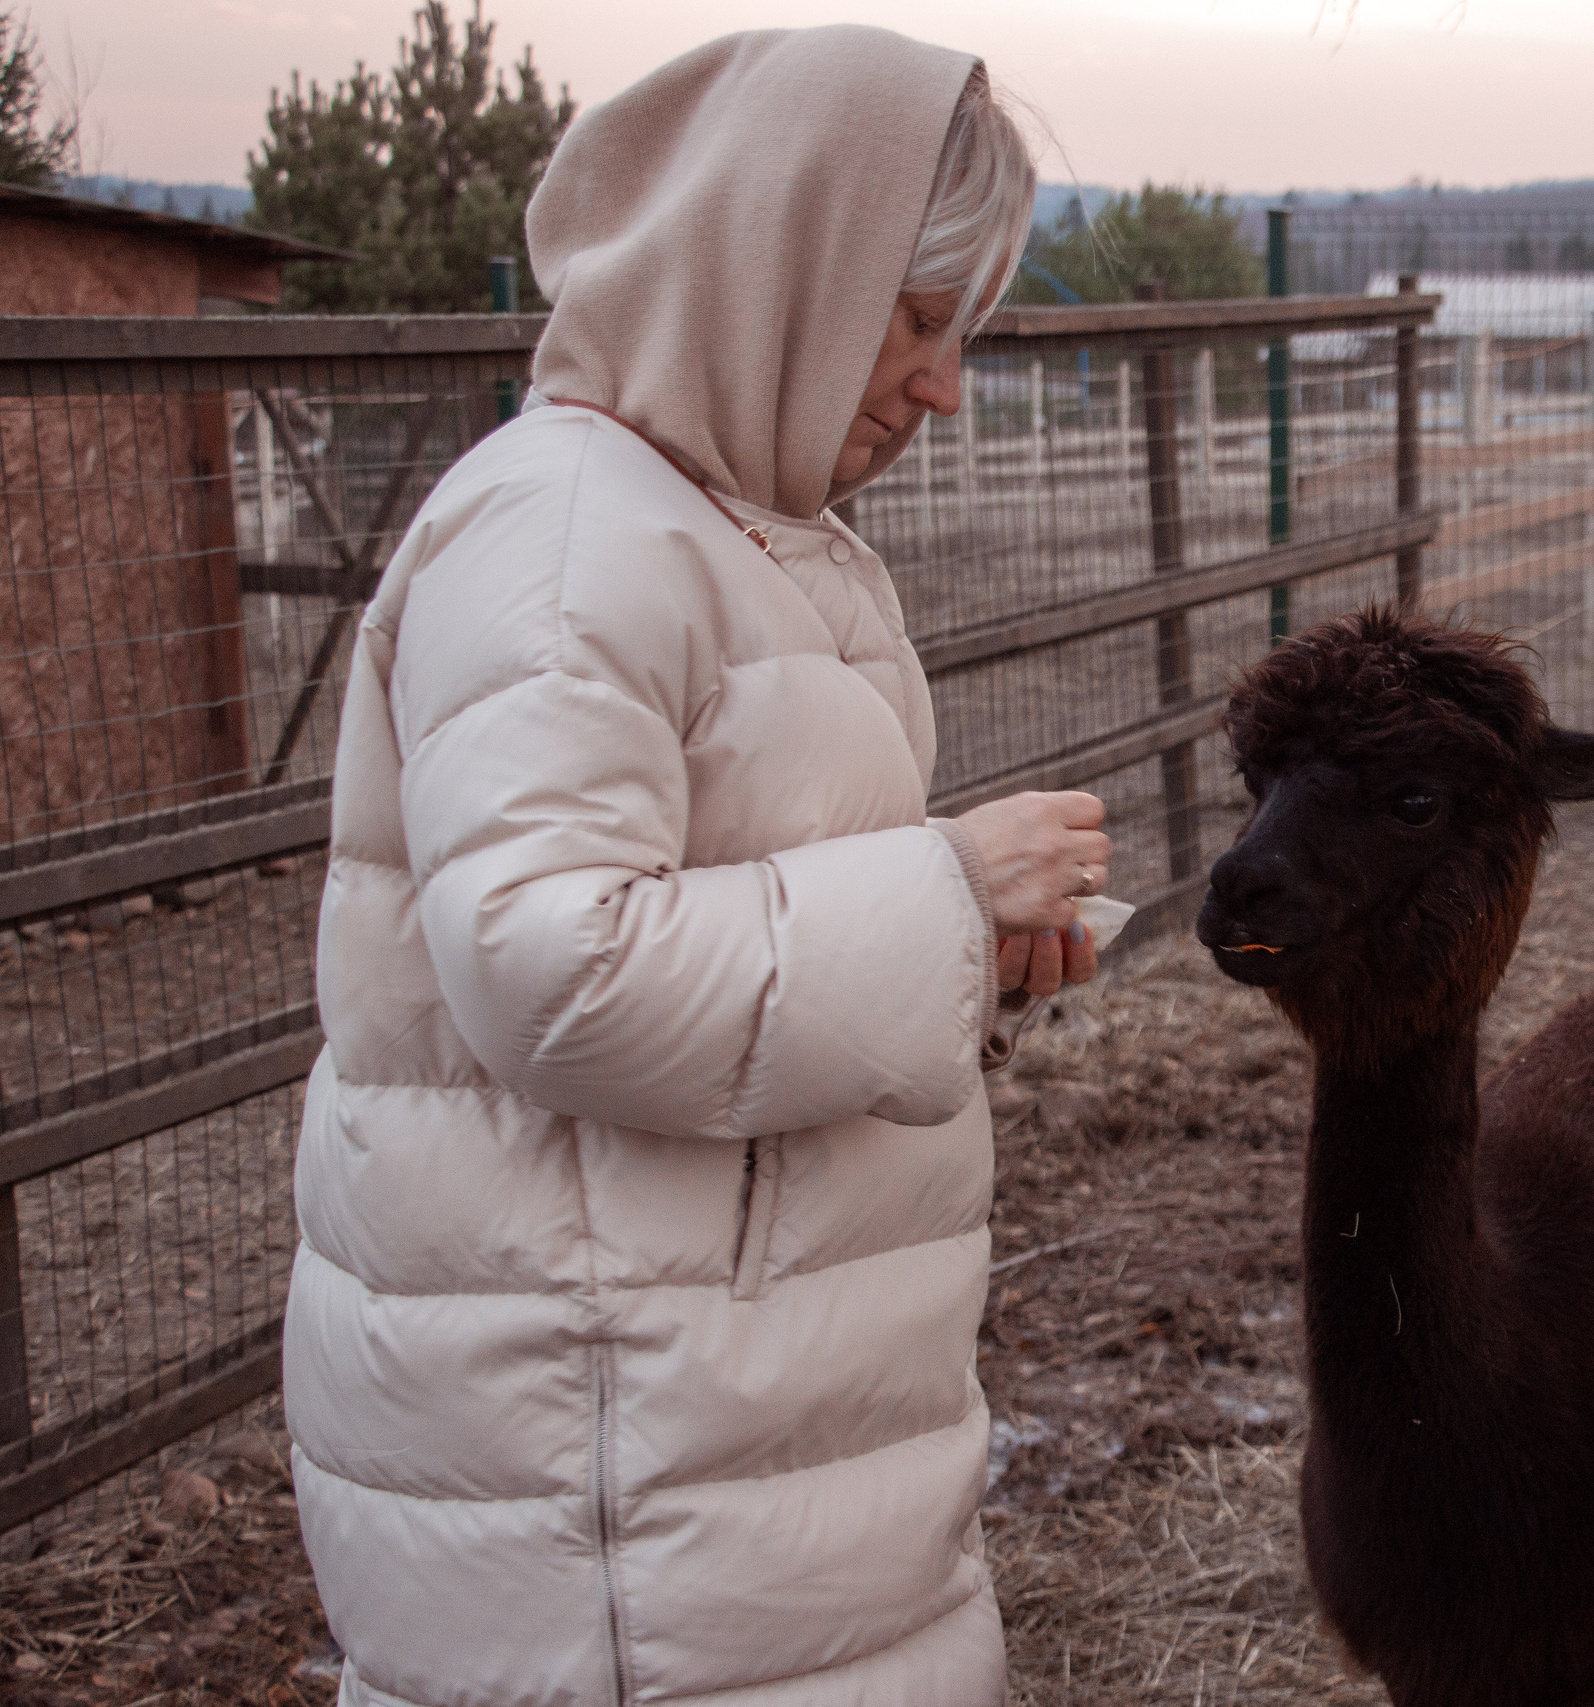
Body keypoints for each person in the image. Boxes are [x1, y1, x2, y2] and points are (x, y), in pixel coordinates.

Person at [283, 27, 1091, 1706]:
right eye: (920, 317)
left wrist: (970, 968)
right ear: (781, 259)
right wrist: (941, 895)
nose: (942, 385)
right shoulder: (566, 537)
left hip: (733, 1462)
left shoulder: (738, 536)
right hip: (629, 1526)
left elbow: (727, 937)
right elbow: (554, 966)